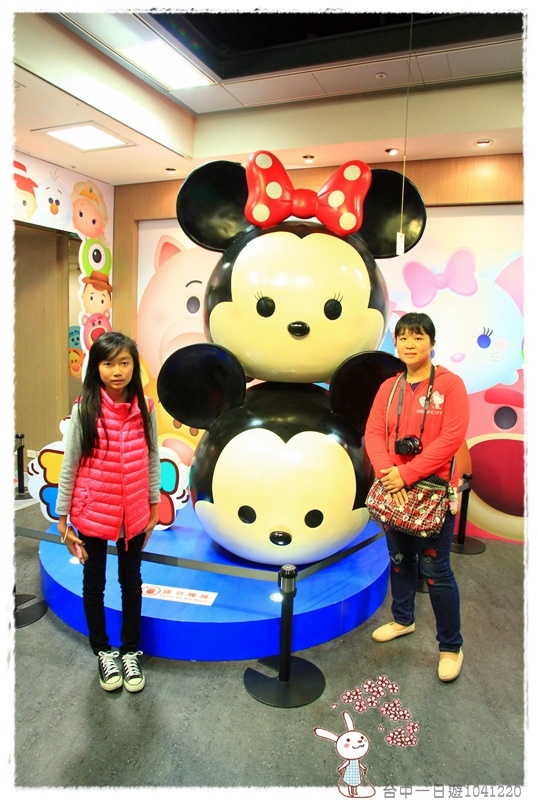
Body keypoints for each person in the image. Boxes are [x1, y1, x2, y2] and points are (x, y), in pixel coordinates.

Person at [364, 312, 469, 682]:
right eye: (404, 337)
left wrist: (406, 474)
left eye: (418, 337)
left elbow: (450, 438)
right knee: (399, 559)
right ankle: (402, 619)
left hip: (432, 491)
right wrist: (388, 473)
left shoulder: (450, 385)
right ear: (395, 343)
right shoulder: (389, 387)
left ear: (432, 343)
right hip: (395, 488)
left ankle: (451, 646)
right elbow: (373, 432)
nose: (410, 344)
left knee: (436, 569)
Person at [56, 331, 161, 692]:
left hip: (133, 514)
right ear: (96, 368)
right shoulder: (84, 409)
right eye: (108, 363)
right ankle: (103, 650)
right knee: (94, 583)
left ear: (134, 365)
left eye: (124, 362)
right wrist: (63, 519)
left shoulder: (145, 408)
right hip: (92, 512)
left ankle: (130, 651)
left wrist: (152, 505)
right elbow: (70, 464)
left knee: (131, 583)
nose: (117, 371)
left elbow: (151, 458)